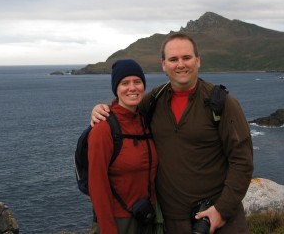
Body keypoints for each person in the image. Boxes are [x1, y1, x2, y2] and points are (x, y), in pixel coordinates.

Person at [91, 33, 254, 234]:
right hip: (171, 222)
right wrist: (102, 110)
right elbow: (125, 109)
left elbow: (242, 161)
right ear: (163, 64)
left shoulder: (222, 103)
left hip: (217, 221)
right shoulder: (153, 100)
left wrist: (221, 210)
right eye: (173, 59)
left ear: (198, 60)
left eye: (186, 58)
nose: (180, 65)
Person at [88, 59, 158, 234]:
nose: (132, 88)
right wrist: (108, 229)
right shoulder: (103, 128)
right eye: (125, 83)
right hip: (118, 222)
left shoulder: (146, 121)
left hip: (146, 218)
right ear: (116, 89)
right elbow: (97, 185)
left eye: (137, 82)